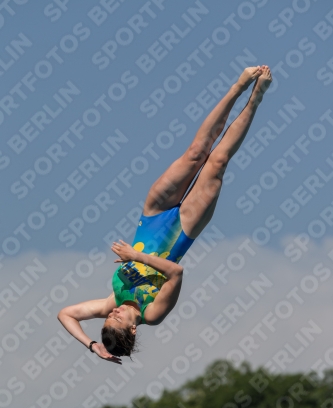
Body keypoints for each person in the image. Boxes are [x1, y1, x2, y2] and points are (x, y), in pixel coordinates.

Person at [57, 65, 272, 364]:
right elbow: (176, 273)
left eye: (107, 319)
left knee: (197, 152)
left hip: (154, 214)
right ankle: (257, 96)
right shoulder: (152, 314)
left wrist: (93, 346)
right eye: (115, 320)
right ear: (132, 329)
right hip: (184, 229)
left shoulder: (112, 300)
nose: (112, 313)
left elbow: (65, 314)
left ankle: (238, 87)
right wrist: (135, 256)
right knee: (218, 160)